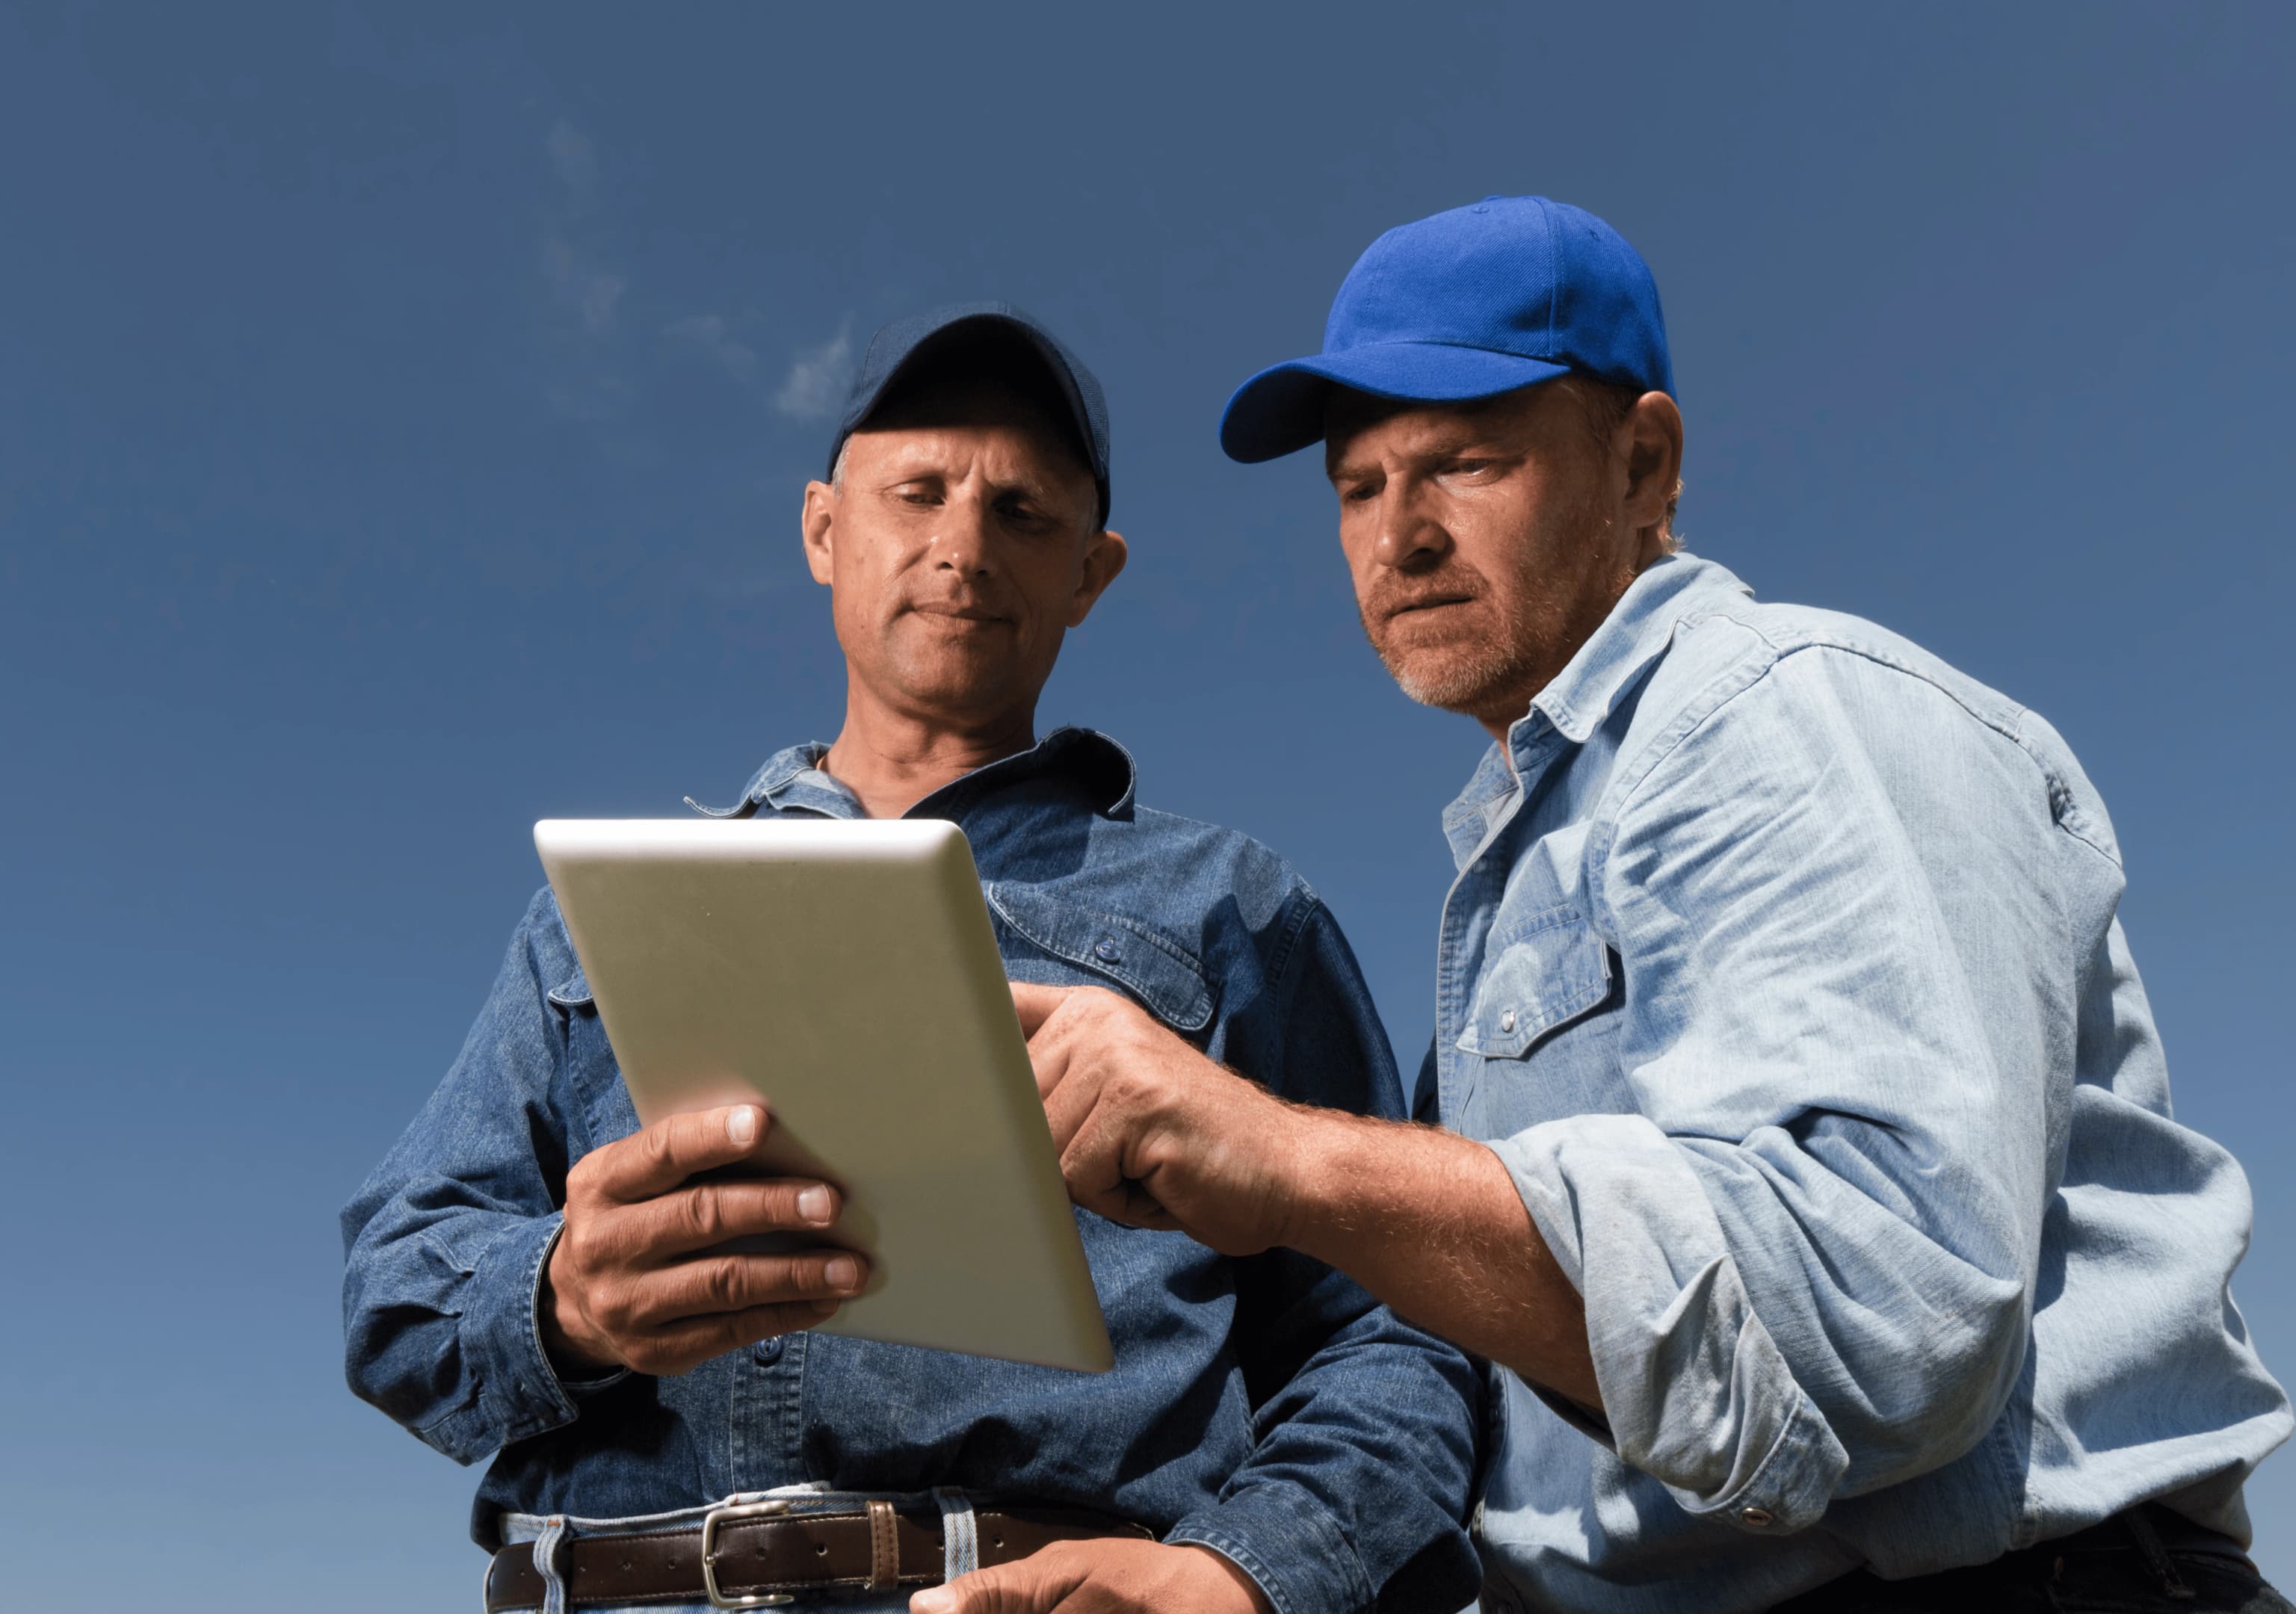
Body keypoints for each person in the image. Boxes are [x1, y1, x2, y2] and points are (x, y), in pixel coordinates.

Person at [943, 198, 2295, 1614]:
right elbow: (1482, 1375)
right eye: (1359, 486)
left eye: (1465, 462)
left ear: (1644, 463)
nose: (1398, 538)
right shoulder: (1529, 853)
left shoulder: (1774, 707)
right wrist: (1230, 1575)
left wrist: (1289, 1160)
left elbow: (1878, 1311)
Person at [340, 304, 1481, 1614]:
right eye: (919, 493)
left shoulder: (1236, 908)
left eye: (1023, 515)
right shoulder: (596, 914)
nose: (961, 548)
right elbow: (396, 1291)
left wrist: (1241, 1575)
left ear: (1092, 576)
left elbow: (1394, 1333)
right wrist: (557, 1302)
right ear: (825, 528)